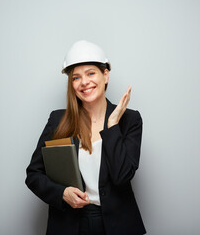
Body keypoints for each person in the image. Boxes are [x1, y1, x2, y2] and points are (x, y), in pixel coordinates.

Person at [25, 40, 146, 235]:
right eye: (76, 77)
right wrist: (62, 193)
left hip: (116, 225)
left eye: (91, 73)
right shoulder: (58, 120)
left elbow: (122, 176)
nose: (84, 82)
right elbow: (34, 175)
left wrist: (112, 125)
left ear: (105, 75)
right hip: (69, 224)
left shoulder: (129, 120)